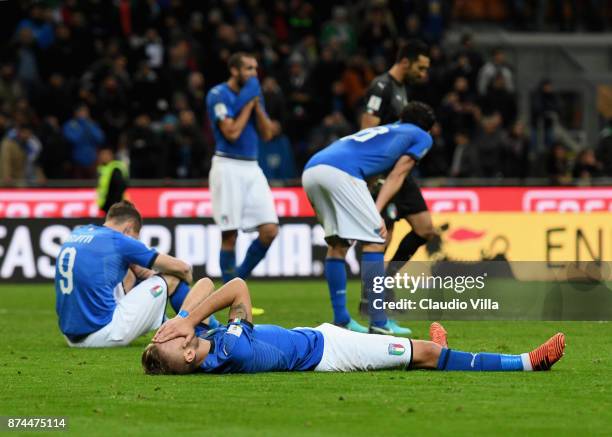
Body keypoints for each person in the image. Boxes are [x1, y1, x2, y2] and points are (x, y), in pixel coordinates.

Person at [143, 278, 565, 375]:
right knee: (428, 354)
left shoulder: (207, 343)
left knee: (417, 351)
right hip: (330, 353)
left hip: (320, 335)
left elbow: (200, 284)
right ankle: (528, 362)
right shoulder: (229, 349)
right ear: (184, 353)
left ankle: (427, 348)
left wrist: (181, 320)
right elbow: (236, 288)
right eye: (173, 338)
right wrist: (188, 320)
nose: (175, 330)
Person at [302, 101, 435, 335]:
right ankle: (379, 322)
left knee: (337, 244)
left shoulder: (386, 130)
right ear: (427, 128)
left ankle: (341, 319)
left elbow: (373, 169)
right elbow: (397, 175)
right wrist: (376, 210)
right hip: (341, 173)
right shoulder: (421, 136)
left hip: (312, 169)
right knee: (375, 240)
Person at [360, 41, 434, 331]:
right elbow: (367, 130)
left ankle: (386, 281)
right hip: (384, 174)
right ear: (406, 61)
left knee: (425, 229)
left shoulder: (402, 89)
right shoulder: (381, 87)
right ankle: (371, 299)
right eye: (421, 67)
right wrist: (374, 175)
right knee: (382, 237)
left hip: (401, 174)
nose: (425, 73)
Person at [55, 200, 194, 348]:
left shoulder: (78, 233)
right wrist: (186, 278)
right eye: (135, 237)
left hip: (71, 337)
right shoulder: (118, 240)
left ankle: (162, 319)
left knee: (131, 273)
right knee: (171, 279)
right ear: (128, 228)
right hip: (102, 333)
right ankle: (201, 328)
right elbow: (183, 268)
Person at [205, 52, 277, 315]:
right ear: (234, 70)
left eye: (256, 68)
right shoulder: (218, 94)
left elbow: (268, 134)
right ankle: (230, 297)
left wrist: (257, 106)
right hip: (227, 165)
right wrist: (248, 103)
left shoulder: (253, 96)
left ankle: (234, 286)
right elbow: (231, 132)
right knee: (230, 235)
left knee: (270, 230)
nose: (254, 73)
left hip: (252, 166)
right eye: (248, 68)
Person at [96, 146, 128, 214]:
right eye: (102, 154)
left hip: (114, 205)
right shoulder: (102, 168)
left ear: (112, 155)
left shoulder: (116, 168)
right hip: (106, 205)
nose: (104, 157)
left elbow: (120, 186)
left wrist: (115, 204)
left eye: (106, 154)